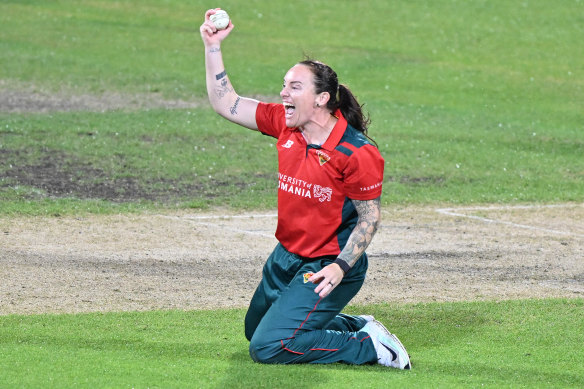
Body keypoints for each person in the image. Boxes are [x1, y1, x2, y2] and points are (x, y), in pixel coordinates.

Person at [199, 9, 411, 369]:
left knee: (268, 347)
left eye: (294, 87)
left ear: (322, 98)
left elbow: (369, 218)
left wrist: (342, 266)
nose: (283, 94)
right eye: (284, 85)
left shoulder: (356, 152)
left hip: (329, 264)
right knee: (256, 330)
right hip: (286, 256)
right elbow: (226, 102)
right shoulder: (285, 124)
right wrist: (212, 46)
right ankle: (358, 325)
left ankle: (371, 348)